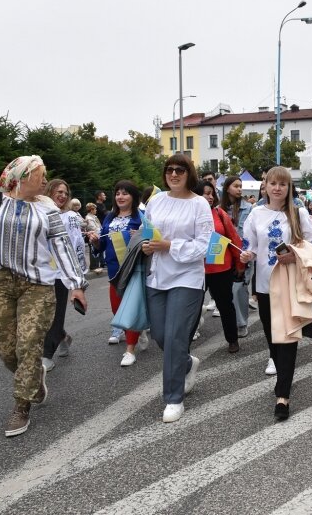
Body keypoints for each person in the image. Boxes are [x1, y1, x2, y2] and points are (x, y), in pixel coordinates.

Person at [0, 156, 87, 437]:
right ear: (23, 177)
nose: (45, 179)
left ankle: (21, 404)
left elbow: (62, 246)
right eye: (40, 175)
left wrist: (75, 284)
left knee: (28, 344)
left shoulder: (48, 209)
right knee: (4, 346)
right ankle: (33, 379)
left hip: (37, 285)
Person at [240, 166, 312, 420]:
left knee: (286, 337)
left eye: (282, 184)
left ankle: (282, 395)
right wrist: (246, 255)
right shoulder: (256, 214)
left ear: (289, 188)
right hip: (264, 285)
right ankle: (283, 375)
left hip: (289, 284)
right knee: (272, 336)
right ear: (265, 186)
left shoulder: (297, 213)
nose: (277, 188)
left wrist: (294, 254)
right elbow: (250, 246)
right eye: (272, 183)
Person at [143, 155, 212, 423]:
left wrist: (170, 246)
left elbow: (203, 246)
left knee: (173, 337)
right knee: (161, 335)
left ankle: (173, 398)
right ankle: (185, 364)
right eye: (169, 170)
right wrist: (147, 245)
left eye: (179, 170)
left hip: (187, 277)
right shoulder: (156, 201)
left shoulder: (199, 205)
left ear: (189, 174)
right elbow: (147, 231)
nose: (173, 174)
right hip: (157, 275)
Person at [88, 180, 146, 365]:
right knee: (117, 309)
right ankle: (138, 328)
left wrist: (141, 235)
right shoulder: (109, 218)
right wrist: (96, 241)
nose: (120, 197)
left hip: (134, 267)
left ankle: (130, 350)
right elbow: (102, 245)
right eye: (118, 193)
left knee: (131, 307)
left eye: (125, 193)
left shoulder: (142, 217)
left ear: (134, 197)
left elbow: (152, 239)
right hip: (114, 269)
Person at [41, 179, 88, 371]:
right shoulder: (38, 212)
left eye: (65, 193)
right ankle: (61, 336)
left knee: (56, 313)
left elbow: (76, 245)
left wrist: (78, 277)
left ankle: (46, 355)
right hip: (41, 272)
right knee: (43, 314)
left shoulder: (71, 217)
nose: (62, 196)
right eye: (58, 192)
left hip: (61, 273)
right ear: (49, 192)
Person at [196, 180, 244, 352]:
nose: (209, 197)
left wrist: (240, 265)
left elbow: (233, 239)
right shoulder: (188, 214)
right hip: (195, 269)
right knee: (191, 306)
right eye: (205, 193)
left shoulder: (219, 213)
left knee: (225, 305)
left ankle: (232, 339)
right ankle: (184, 340)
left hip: (220, 268)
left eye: (211, 193)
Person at [220, 175, 253, 338]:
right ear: (227, 188)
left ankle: (241, 323)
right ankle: (231, 322)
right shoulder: (219, 209)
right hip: (224, 253)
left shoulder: (248, 208)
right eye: (236, 186)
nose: (239, 189)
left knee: (239, 288)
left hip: (242, 253)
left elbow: (250, 232)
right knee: (225, 290)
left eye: (241, 186)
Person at [84, 202, 103, 273]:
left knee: (97, 251)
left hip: (98, 235)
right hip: (93, 236)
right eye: (95, 209)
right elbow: (92, 228)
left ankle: (97, 265)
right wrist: (100, 231)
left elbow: (99, 226)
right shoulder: (88, 218)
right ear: (91, 210)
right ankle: (93, 266)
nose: (96, 210)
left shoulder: (94, 217)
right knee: (93, 251)